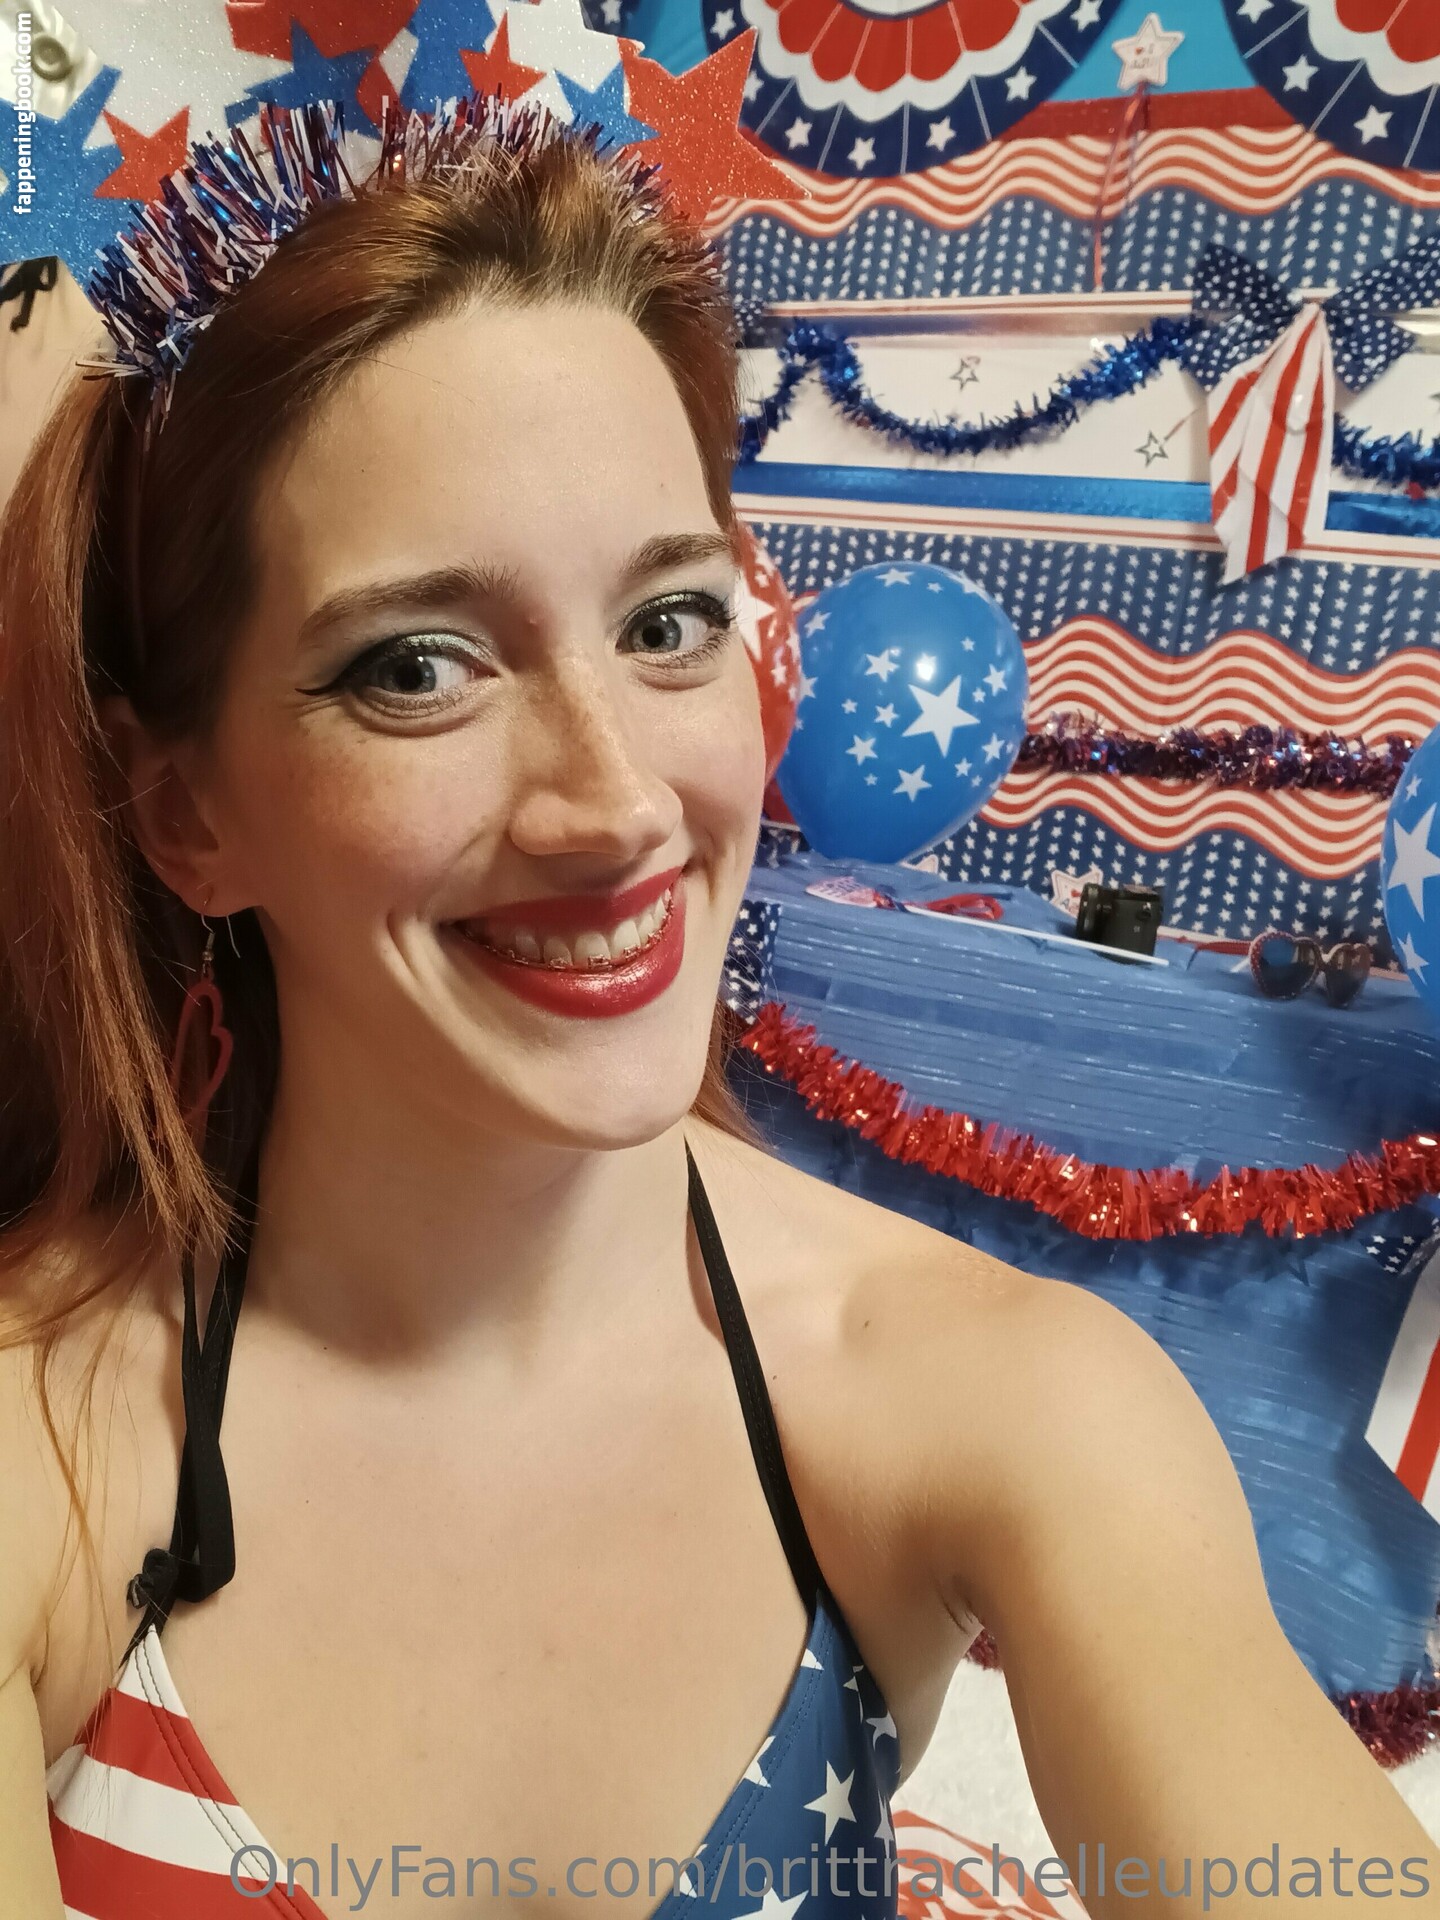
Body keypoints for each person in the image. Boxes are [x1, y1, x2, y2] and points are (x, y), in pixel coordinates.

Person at [0, 90, 1436, 1920]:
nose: (616, 806)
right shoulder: (47, 1437)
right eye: (419, 665)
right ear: (189, 815)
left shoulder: (997, 1399)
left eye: (669, 623)